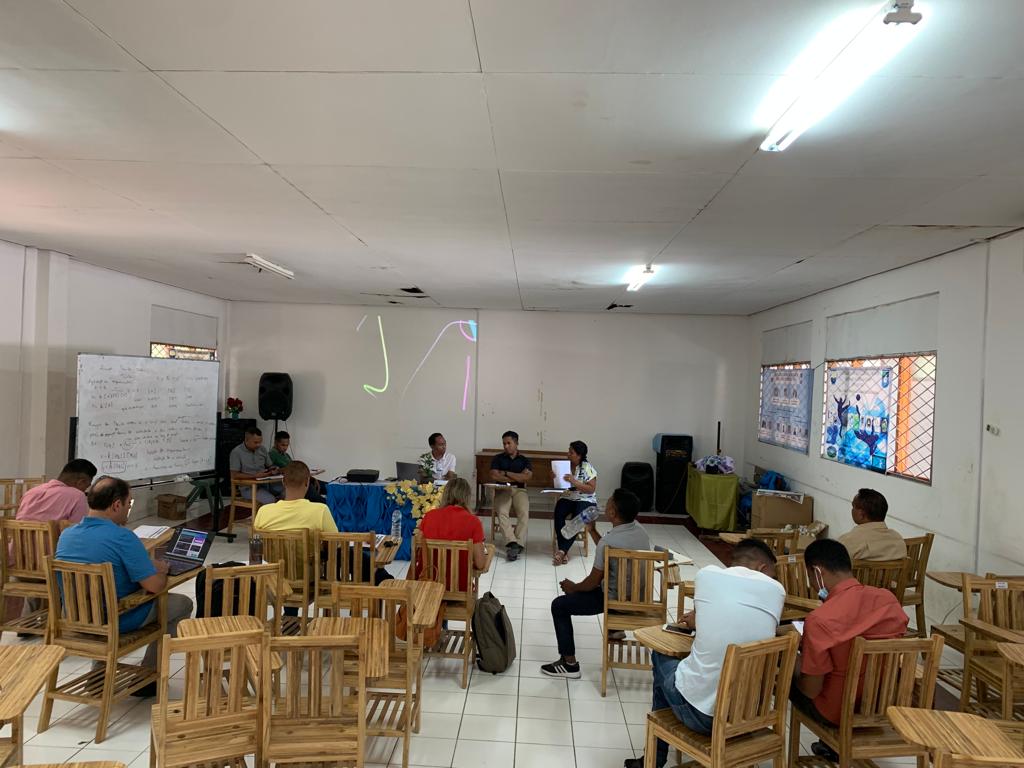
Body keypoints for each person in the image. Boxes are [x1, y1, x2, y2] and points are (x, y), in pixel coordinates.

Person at [625, 538, 786, 768]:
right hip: (752, 715)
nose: (774, 579)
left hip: (702, 718)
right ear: (762, 568)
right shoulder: (777, 591)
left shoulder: (707, 575)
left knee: (661, 655)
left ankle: (654, 759)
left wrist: (699, 620)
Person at [54, 477, 194, 696]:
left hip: (73, 618)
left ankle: (98, 676)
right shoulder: (123, 537)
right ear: (116, 505)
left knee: (99, 600)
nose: (129, 509)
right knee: (182, 604)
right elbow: (155, 586)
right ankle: (148, 677)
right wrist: (162, 571)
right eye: (129, 504)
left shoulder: (67, 534)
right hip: (116, 620)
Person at [791, 538, 909, 761]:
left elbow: (811, 690)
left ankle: (827, 744)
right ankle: (830, 746)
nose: (813, 586)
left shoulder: (820, 619)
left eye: (810, 578)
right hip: (881, 704)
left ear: (817, 572)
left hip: (836, 713)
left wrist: (795, 664)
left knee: (788, 675)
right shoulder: (888, 600)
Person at [542, 488, 650, 679]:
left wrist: (573, 587)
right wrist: (592, 530)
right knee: (610, 583)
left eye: (608, 502)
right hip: (638, 598)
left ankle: (569, 664)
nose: (604, 504)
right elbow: (609, 550)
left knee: (559, 606)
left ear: (612, 512)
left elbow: (592, 582)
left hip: (613, 600)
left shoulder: (608, 542)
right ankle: (615, 629)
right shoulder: (640, 531)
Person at [418, 478, 488, 591]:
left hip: (428, 586)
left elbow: (418, 551)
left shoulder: (429, 516)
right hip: (460, 588)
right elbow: (480, 564)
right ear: (466, 497)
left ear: (445, 495)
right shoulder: (473, 522)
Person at [552, 440, 598, 565]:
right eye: (569, 451)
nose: (568, 454)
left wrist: (574, 481)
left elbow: (591, 489)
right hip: (568, 497)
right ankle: (564, 550)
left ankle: (562, 550)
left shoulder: (587, 468)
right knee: (558, 512)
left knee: (579, 517)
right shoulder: (564, 466)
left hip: (586, 499)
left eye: (571, 452)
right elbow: (560, 486)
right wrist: (555, 478)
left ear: (579, 455)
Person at [489, 430, 532, 561]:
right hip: (503, 489)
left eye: (509, 443)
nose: (506, 446)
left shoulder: (524, 460)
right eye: (504, 444)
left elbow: (526, 477)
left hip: (520, 490)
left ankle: (519, 542)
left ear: (516, 443)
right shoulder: (498, 458)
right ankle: (512, 542)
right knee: (502, 511)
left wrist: (506, 473)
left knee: (524, 512)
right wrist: (517, 476)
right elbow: (494, 475)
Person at [15, 458, 97, 524]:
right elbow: (78, 531)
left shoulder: (30, 493)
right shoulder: (78, 496)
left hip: (19, 540)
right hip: (54, 541)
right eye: (87, 486)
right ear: (81, 482)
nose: (85, 490)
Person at [837, 488, 906, 561]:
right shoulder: (898, 540)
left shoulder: (847, 542)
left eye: (853, 506)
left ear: (861, 514)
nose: (852, 510)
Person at [229, 426, 283, 505]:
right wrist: (255, 476)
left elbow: (270, 465)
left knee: (287, 493)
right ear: (246, 440)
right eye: (255, 442)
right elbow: (234, 475)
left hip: (266, 483)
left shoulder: (262, 449)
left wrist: (274, 469)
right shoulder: (236, 452)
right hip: (249, 488)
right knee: (270, 500)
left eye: (260, 442)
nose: (258, 445)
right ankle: (268, 512)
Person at [267, 430, 324, 502]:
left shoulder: (286, 455)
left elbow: (293, 468)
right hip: (281, 483)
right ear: (276, 443)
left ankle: (330, 495)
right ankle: (326, 503)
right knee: (307, 486)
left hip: (293, 480)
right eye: (283, 445)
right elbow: (272, 470)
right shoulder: (271, 454)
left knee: (318, 483)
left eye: (287, 445)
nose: (285, 448)